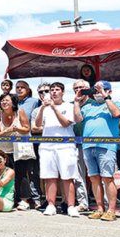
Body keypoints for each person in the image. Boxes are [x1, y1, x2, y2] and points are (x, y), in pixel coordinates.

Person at [74, 80, 120, 221]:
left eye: (101, 90)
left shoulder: (114, 103)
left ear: (109, 91)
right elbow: (77, 119)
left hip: (106, 146)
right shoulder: (89, 106)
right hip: (88, 146)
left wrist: (105, 96)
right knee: (94, 178)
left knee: (107, 178)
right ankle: (100, 208)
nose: (98, 93)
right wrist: (77, 102)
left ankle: (111, 210)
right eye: (96, 90)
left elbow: (116, 114)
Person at [32, 82, 81, 217]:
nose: (53, 92)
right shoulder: (44, 107)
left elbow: (66, 123)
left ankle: (71, 205)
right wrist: (42, 108)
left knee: (68, 176)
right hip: (48, 146)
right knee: (50, 177)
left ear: (63, 92)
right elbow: (37, 124)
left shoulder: (69, 106)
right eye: (52, 90)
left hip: (65, 146)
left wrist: (54, 108)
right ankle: (51, 205)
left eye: (57, 90)